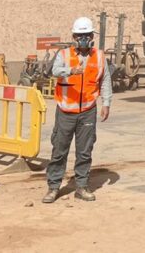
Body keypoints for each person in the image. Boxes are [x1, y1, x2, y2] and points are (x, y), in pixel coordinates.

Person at [43, 17, 111, 203]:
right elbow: (54, 71)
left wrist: (106, 103)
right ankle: (53, 187)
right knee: (59, 150)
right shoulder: (64, 55)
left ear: (92, 37)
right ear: (74, 37)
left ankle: (81, 186)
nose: (83, 39)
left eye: (87, 35)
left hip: (88, 110)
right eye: (80, 36)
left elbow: (105, 80)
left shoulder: (99, 56)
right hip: (66, 110)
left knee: (84, 151)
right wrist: (70, 71)